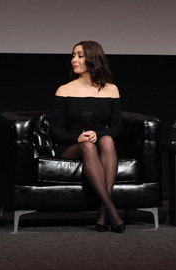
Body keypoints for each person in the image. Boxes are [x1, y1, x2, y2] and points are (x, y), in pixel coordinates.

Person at [49, 41, 126, 233]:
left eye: (80, 55)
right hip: (71, 146)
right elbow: (55, 129)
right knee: (88, 146)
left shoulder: (111, 90)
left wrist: (96, 134)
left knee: (107, 140)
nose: (74, 60)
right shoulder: (64, 90)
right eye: (73, 55)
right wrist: (78, 139)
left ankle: (102, 214)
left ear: (93, 59)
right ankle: (110, 210)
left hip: (100, 144)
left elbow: (116, 127)